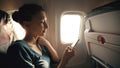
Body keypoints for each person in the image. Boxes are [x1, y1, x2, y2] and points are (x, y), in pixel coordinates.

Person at [7, 4, 75, 68]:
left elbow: (56, 60)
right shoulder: (18, 48)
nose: (47, 26)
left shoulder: (41, 45)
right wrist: (65, 60)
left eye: (46, 21)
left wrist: (47, 43)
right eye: (42, 22)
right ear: (27, 25)